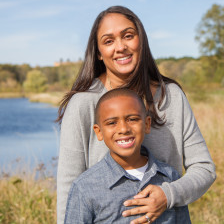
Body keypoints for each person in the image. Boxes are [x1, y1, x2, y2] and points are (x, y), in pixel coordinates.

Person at [57, 5, 216, 224]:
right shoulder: (82, 103)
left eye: (128, 36)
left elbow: (204, 169)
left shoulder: (171, 97)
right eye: (108, 41)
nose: (120, 47)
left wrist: (168, 195)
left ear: (141, 41)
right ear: (99, 53)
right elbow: (68, 188)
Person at [64, 88, 191, 224]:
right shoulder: (85, 187)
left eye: (132, 119)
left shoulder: (170, 177)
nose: (124, 129)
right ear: (99, 132)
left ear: (147, 124)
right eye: (112, 123)